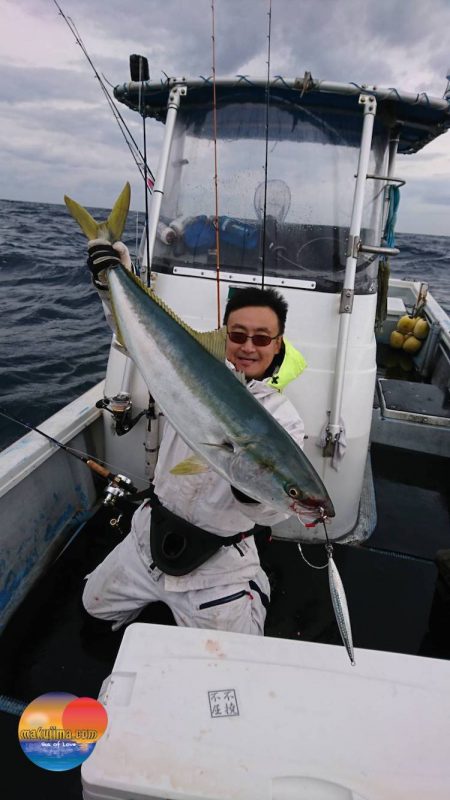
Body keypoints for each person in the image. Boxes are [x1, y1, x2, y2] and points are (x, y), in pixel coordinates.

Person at [82, 240, 307, 636]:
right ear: (224, 335)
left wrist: (254, 486)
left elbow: (276, 509)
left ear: (278, 345)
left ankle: (255, 588)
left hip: (218, 563)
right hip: (147, 535)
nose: (248, 347)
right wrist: (111, 279)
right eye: (238, 335)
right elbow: (133, 335)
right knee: (93, 607)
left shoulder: (283, 419)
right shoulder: (185, 371)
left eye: (262, 338)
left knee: (236, 654)